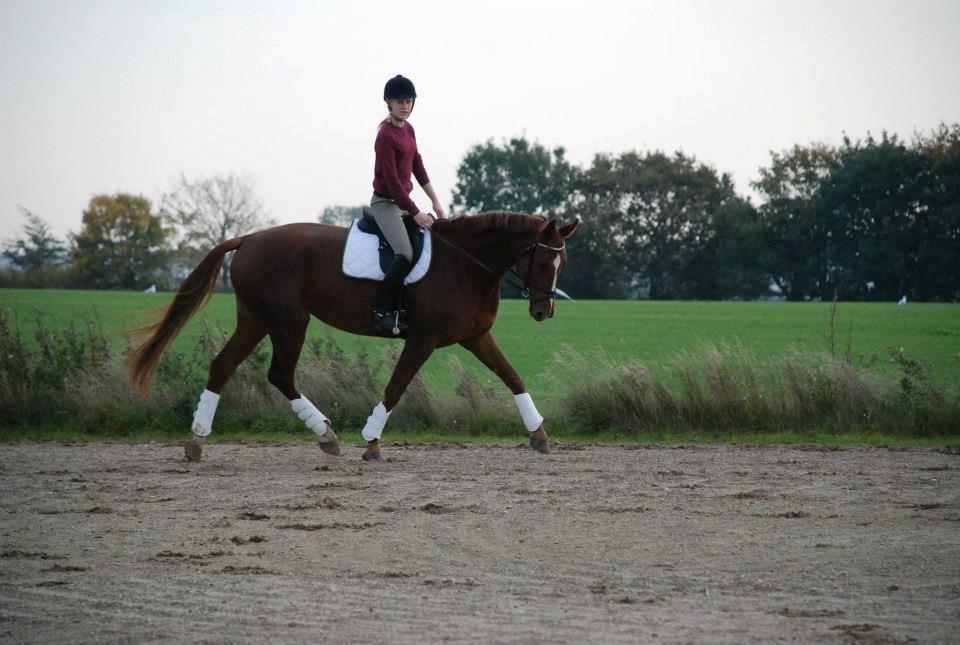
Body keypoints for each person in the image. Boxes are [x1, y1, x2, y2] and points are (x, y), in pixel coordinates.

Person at [369, 74, 445, 331]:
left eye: (409, 101)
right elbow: (393, 185)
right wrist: (415, 213)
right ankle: (383, 312)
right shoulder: (385, 136)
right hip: (386, 204)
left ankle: (408, 305)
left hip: (403, 204)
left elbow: (417, 165)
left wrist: (435, 202)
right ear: (388, 103)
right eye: (400, 101)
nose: (405, 105)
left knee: (425, 246)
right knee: (405, 253)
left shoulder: (408, 129)